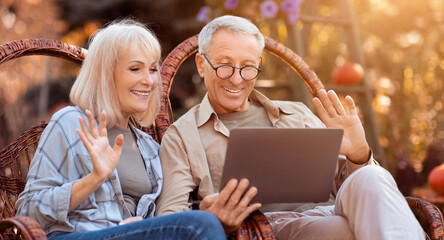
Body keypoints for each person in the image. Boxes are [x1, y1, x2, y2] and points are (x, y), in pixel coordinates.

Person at [156, 15, 425, 239]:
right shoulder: (181, 136)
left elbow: (353, 190)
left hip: (332, 211)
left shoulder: (296, 113)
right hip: (267, 228)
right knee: (340, 230)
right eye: (225, 66)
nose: (237, 79)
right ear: (202, 65)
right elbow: (169, 221)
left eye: (248, 67)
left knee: (373, 176)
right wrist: (211, 219)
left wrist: (359, 155)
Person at [15, 19, 225, 240]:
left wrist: (141, 226)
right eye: (135, 68)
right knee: (199, 226)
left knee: (202, 221)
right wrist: (94, 178)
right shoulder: (71, 123)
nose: (149, 80)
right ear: (105, 74)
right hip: (75, 235)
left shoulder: (149, 148)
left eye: (153, 69)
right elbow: (28, 212)